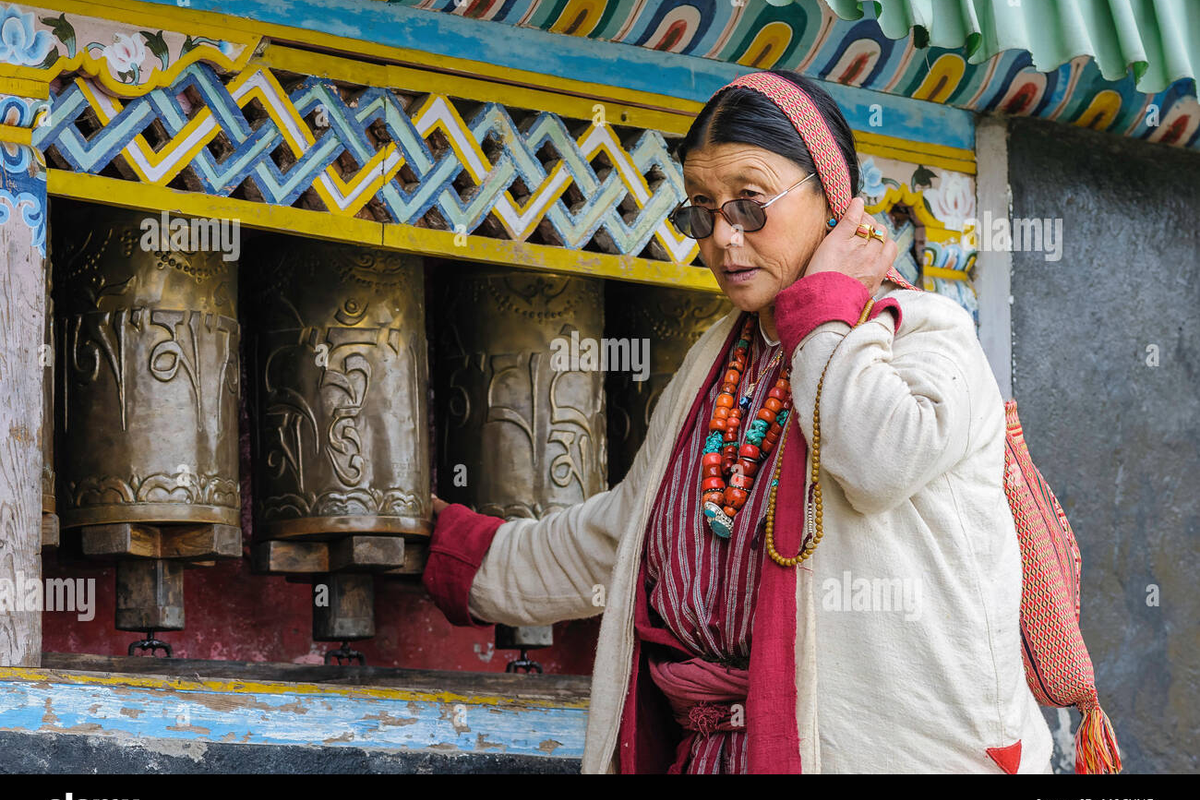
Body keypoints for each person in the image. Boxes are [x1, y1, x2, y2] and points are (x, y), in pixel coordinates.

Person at [423, 69, 1053, 774]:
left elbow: (877, 459)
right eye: (701, 209)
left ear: (836, 202)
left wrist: (823, 305)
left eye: (751, 205)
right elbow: (626, 536)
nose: (724, 237)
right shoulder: (714, 364)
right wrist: (455, 553)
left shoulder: (928, 335)